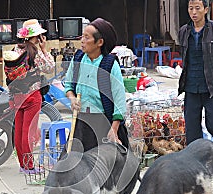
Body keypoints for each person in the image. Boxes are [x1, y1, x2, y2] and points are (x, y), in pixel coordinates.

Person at [178, 0, 213, 169]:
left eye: (197, 8)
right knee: (191, 125)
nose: (193, 12)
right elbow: (184, 56)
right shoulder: (184, 31)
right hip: (191, 85)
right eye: (190, 8)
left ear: (206, 10)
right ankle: (196, 160)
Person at [64, 17, 128, 153]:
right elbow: (68, 85)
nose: (82, 41)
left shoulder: (110, 65)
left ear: (99, 42)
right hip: (80, 121)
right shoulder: (78, 59)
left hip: (102, 123)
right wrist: (72, 98)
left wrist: (114, 129)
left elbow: (119, 101)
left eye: (87, 37)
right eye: (82, 36)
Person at [10, 19, 55, 174]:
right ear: (36, 37)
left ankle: (23, 165)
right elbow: (50, 67)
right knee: (28, 132)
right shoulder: (34, 52)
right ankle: (29, 167)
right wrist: (44, 49)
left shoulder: (16, 49)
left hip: (16, 95)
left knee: (19, 131)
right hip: (32, 95)